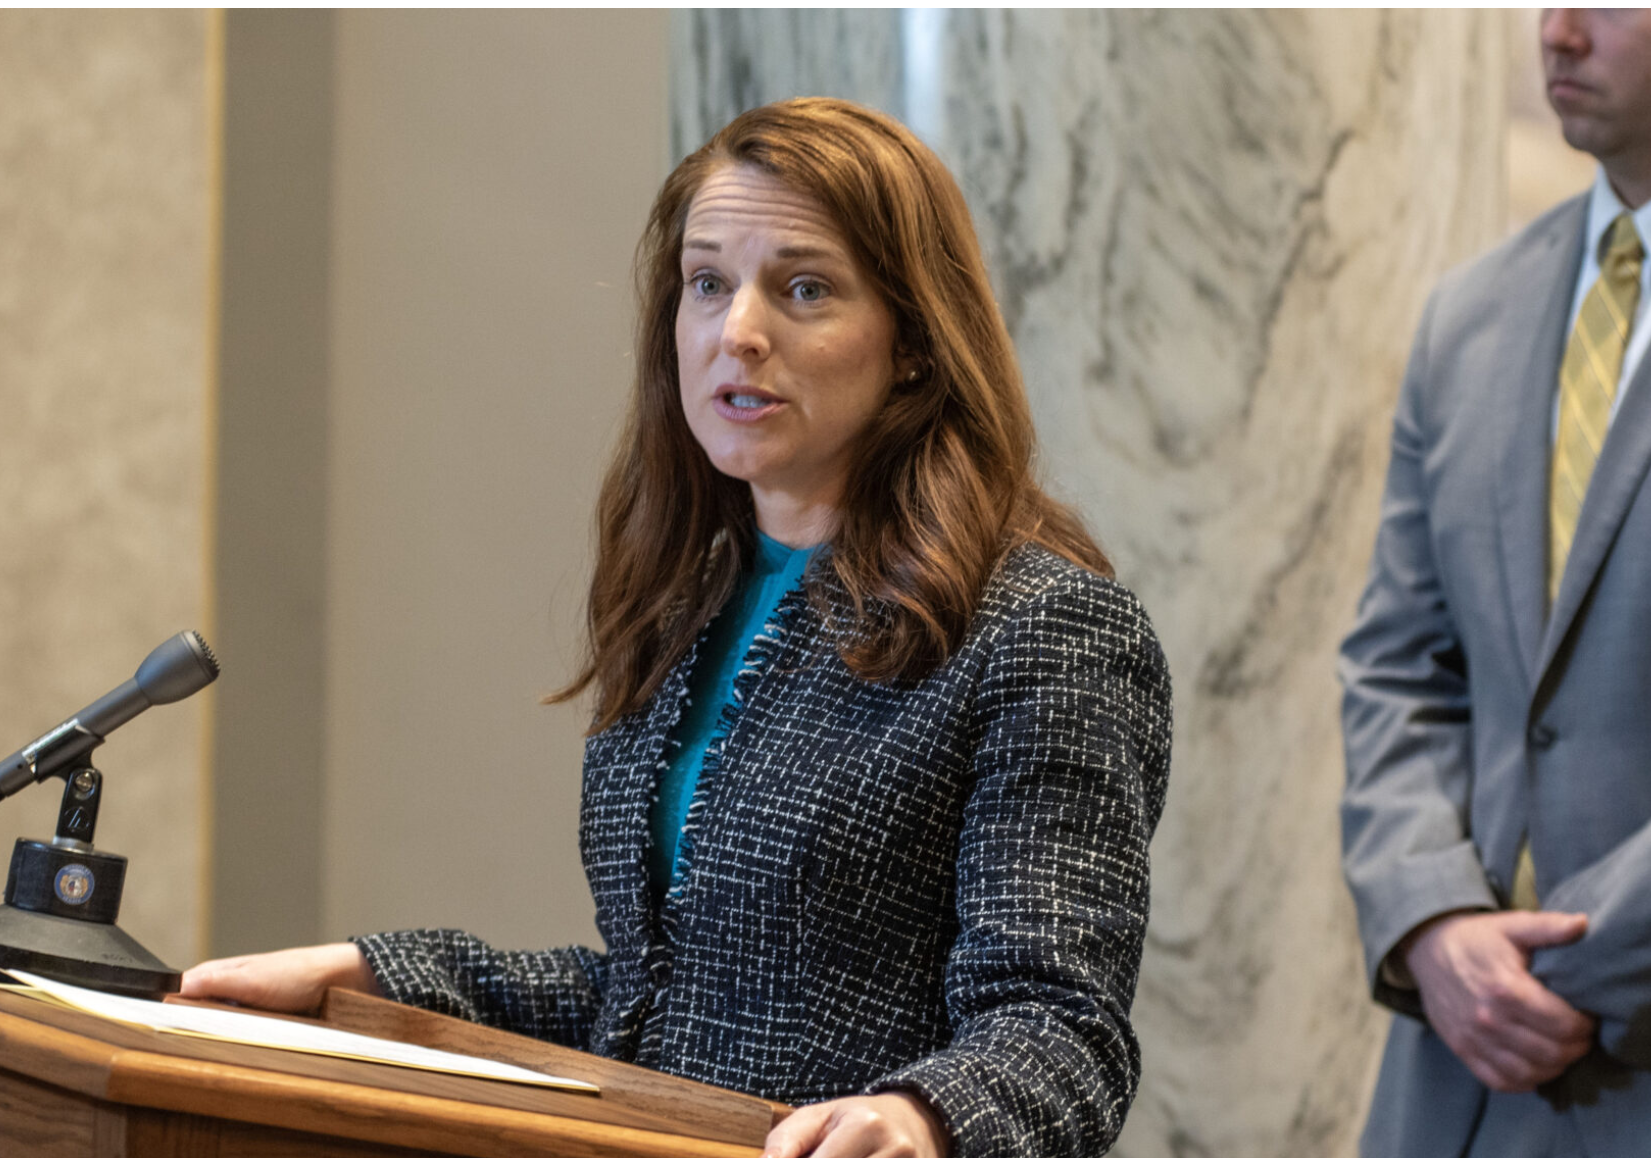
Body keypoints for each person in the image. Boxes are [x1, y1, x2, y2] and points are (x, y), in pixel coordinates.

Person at [185, 98, 1171, 1158]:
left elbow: (1061, 1030)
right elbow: (665, 994)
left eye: (804, 289)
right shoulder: (695, 597)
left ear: (917, 345)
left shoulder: (1045, 630)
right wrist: (382, 975)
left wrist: (922, 1119)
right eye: (708, 283)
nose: (738, 331)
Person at [1339, 10, 1651, 1156]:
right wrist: (1432, 919)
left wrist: (1558, 963)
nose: (1558, 31)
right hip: (1453, 1086)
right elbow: (1395, 666)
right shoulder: (1468, 318)